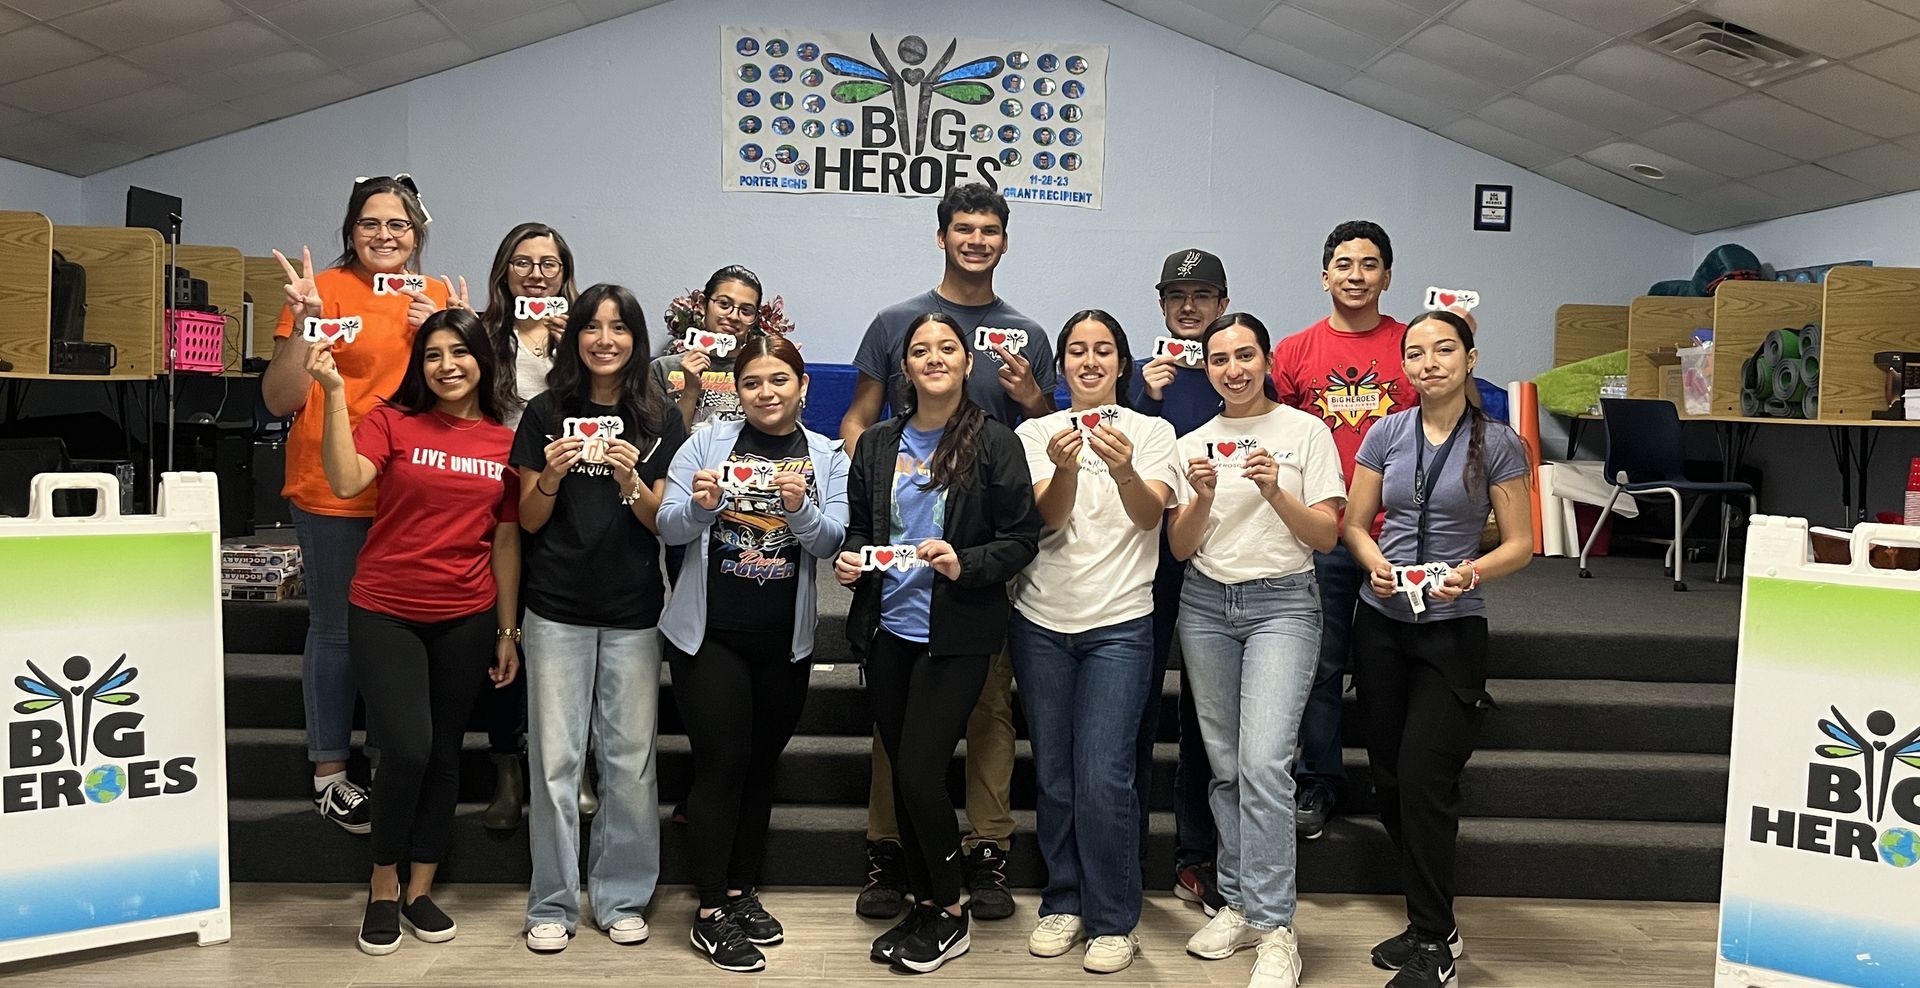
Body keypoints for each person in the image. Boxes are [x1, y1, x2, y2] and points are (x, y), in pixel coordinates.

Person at [839, 182, 1052, 922]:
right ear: (942, 236)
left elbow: (1038, 437)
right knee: (899, 740)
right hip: (894, 597)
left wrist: (1030, 395)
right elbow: (859, 419)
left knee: (987, 712)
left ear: (1005, 240)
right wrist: (872, 502)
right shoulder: (893, 322)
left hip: (974, 569)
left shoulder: (1025, 335)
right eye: (964, 228)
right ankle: (894, 854)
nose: (976, 240)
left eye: (990, 229)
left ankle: (981, 856)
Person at [301, 307, 520, 955]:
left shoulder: (505, 443)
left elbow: (507, 542)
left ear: (483, 361)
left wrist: (507, 630)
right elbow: (346, 481)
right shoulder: (392, 421)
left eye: (460, 352)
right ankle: (383, 885)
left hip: (467, 615)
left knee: (445, 752)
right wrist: (333, 392)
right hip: (386, 610)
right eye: (433, 355)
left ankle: (421, 890)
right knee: (406, 749)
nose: (447, 365)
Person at [1342, 310, 1532, 988]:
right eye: (1416, 353)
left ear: (1470, 359)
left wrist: (1469, 574)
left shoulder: (1499, 442)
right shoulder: (1386, 432)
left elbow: (1521, 544)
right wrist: (1374, 564)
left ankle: (1434, 947)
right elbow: (1355, 525)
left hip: (1452, 628)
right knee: (1390, 782)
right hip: (1381, 622)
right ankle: (1436, 923)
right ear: (1405, 366)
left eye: (1444, 349)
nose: (1430, 363)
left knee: (1425, 780)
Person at [261, 175, 451, 834]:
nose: (384, 235)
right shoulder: (322, 291)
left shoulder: (436, 293)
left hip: (411, 490)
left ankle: (392, 761)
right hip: (332, 485)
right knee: (338, 629)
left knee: (398, 631)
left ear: (416, 234)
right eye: (370, 223)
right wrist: (304, 323)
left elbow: (458, 389)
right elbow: (280, 400)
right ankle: (330, 774)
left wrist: (444, 331)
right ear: (351, 231)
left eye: (398, 224)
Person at [657, 334, 850, 973]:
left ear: (803, 386)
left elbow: (831, 542)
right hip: (708, 637)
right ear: (736, 390)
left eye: (779, 380)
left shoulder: (827, 456)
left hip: (784, 644)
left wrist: (799, 510)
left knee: (761, 766)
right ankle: (710, 910)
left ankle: (741, 892)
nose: (766, 393)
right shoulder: (705, 445)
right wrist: (701, 507)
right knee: (722, 765)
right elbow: (667, 525)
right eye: (752, 383)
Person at [1170, 313, 1345, 988]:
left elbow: (1325, 536)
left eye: (1245, 356)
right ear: (1207, 368)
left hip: (1284, 604)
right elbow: (1180, 547)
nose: (1233, 369)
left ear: (1267, 361)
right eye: (1219, 359)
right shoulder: (1194, 442)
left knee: (1265, 763)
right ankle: (1240, 904)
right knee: (1225, 766)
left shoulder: (1305, 432)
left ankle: (1276, 928)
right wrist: (1201, 498)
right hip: (1206, 605)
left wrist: (1273, 489)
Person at [511, 284, 685, 953]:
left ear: (637, 340)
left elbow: (664, 523)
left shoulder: (658, 418)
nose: (604, 340)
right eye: (592, 326)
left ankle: (622, 897)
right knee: (555, 762)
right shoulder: (546, 412)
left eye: (619, 328)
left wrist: (629, 480)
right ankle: (551, 902)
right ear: (574, 336)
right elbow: (528, 518)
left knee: (630, 763)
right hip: (555, 607)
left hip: (633, 610)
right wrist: (552, 476)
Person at [1010, 311, 1178, 974]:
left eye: (1102, 350)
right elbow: (1048, 518)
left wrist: (1126, 467)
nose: (1089, 361)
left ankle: (1113, 919)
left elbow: (1150, 516)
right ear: (1061, 367)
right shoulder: (1036, 432)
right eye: (1076, 351)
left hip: (1121, 624)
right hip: (1041, 621)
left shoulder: (1152, 431)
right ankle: (1064, 901)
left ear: (1122, 364)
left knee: (1104, 774)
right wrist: (1068, 468)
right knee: (1055, 773)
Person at [1268, 220, 1408, 840]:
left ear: (1387, 276)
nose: (1356, 276)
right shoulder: (1294, 351)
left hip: (1398, 535)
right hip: (1323, 532)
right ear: (1325, 276)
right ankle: (1318, 779)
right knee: (1321, 664)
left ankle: (1398, 782)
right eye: (1344, 265)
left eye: (1369, 264)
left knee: (1392, 665)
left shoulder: (1411, 344)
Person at [1132, 248, 1229, 913]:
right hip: (1149, 563)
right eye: (1176, 296)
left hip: (1221, 561)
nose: (1188, 307)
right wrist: (1147, 397)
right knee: (1134, 705)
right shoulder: (1140, 375)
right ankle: (1126, 851)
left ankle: (1197, 858)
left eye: (1201, 295)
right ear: (1162, 304)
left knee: (1207, 715)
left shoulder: (1238, 372)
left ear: (1223, 303)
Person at [476, 221, 577, 832]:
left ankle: (571, 768)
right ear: (504, 272)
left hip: (569, 494)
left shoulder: (585, 335)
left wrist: (572, 352)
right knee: (505, 629)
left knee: (562, 631)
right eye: (523, 263)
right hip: (497, 494)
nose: (536, 275)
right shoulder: (483, 335)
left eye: (548, 264)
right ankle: (506, 770)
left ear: (564, 274)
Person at [649, 265, 765, 433]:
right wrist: (690, 390)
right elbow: (659, 443)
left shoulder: (762, 370)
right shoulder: (662, 369)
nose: (733, 316)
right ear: (703, 304)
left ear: (754, 319)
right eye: (724, 304)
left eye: (746, 311)